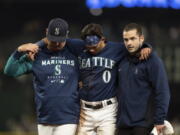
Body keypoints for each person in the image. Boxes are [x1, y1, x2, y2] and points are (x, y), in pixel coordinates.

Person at [23, 23, 151, 135]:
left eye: (95, 46)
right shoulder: (78, 46)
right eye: (88, 46)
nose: (92, 49)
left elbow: (133, 46)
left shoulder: (116, 49)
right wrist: (36, 45)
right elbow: (51, 38)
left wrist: (146, 46)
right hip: (85, 110)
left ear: (103, 39)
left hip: (108, 110)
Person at [4, 18, 80, 135]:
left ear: (67, 35)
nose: (57, 43)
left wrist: (41, 42)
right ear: (46, 32)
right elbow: (10, 71)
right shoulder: (36, 54)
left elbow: (90, 44)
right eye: (54, 40)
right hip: (44, 118)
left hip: (69, 117)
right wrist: (19, 50)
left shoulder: (75, 52)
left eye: (61, 40)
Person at [117, 23, 170, 135]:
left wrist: (159, 119)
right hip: (122, 124)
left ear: (141, 38)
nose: (129, 43)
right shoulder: (121, 58)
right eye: (126, 40)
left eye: (132, 38)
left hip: (143, 124)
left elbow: (163, 92)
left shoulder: (153, 61)